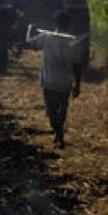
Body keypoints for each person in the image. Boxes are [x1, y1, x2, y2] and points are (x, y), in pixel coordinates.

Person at [26, 11, 87, 148]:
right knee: (61, 110)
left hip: (49, 81)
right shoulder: (73, 42)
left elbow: (29, 43)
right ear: (68, 24)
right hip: (65, 83)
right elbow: (77, 66)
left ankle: (58, 134)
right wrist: (77, 85)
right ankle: (59, 133)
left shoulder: (46, 37)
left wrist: (29, 30)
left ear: (55, 23)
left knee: (51, 111)